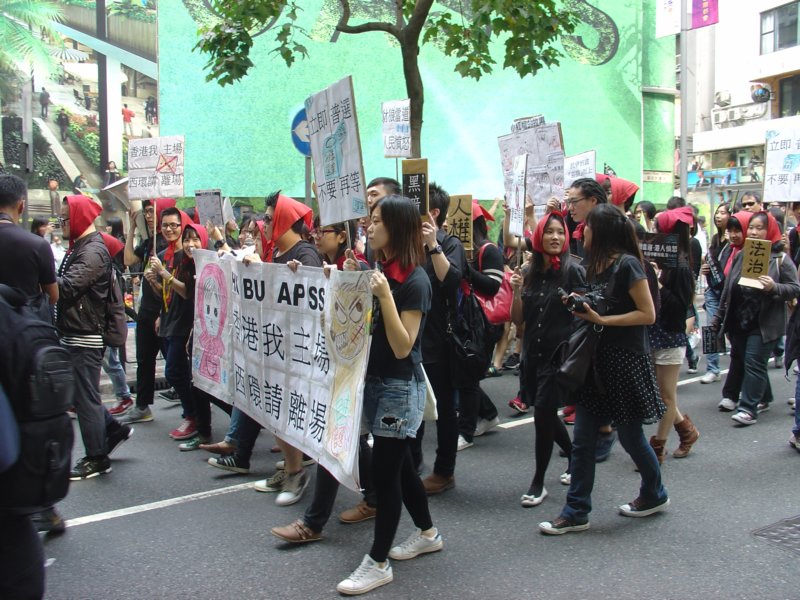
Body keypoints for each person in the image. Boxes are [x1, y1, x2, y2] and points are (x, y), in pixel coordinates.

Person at [539, 204, 668, 535]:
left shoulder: (628, 265)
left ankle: (654, 492)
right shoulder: (593, 266)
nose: (582, 231)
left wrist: (603, 319)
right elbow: (600, 304)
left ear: (602, 231)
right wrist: (580, 304)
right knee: (583, 440)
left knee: (631, 437)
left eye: (587, 227)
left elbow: (647, 314)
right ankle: (576, 511)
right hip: (595, 362)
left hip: (625, 362)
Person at [336, 195, 441, 596]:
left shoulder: (416, 280)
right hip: (375, 381)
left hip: (400, 387)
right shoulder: (380, 270)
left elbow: (402, 346)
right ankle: (428, 533)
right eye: (369, 219)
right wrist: (350, 279)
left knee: (385, 473)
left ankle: (378, 562)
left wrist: (382, 296)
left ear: (396, 227)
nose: (369, 226)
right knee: (401, 469)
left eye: (377, 220)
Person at [206, 193, 322, 508]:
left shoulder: (305, 253)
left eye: (269, 218)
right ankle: (291, 469)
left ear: (285, 219)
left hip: (297, 350)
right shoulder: (277, 252)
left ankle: (296, 473)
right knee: (274, 413)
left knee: (285, 414)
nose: (265, 223)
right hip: (274, 347)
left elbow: (309, 299)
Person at [509, 211, 585, 507]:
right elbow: (518, 321)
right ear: (539, 236)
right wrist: (516, 291)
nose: (556, 237)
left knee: (542, 413)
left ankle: (538, 481)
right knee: (545, 413)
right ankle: (575, 456)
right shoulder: (527, 272)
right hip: (533, 354)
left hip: (559, 356)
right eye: (550, 232)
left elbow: (585, 313)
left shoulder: (573, 271)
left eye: (561, 232)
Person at [58, 195, 132, 480]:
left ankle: (97, 457)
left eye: (65, 218)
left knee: (85, 398)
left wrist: (40, 273)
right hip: (77, 331)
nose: (61, 223)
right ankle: (112, 430)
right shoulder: (83, 246)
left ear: (78, 217)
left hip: (85, 334)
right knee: (81, 394)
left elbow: (67, 287)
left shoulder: (91, 252)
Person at [713, 211, 800, 426]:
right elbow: (728, 289)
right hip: (740, 319)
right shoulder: (743, 254)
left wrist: (773, 287)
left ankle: (748, 409)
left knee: (753, 361)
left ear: (770, 230)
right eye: (751, 227)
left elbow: (794, 288)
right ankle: (764, 397)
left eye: (759, 228)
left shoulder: (780, 259)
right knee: (749, 361)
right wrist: (719, 316)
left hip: (765, 323)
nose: (753, 232)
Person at [647, 207, 700, 461]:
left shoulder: (680, 264)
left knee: (666, 396)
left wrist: (657, 283)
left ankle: (658, 446)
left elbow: (681, 307)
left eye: (657, 228)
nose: (654, 232)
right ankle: (687, 432)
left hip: (670, 337)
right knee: (660, 393)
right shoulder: (666, 259)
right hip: (657, 333)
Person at [119, 199, 172, 424]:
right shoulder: (149, 242)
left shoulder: (169, 243)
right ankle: (142, 406)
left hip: (164, 312)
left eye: (152, 211)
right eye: (146, 212)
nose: (149, 216)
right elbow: (128, 259)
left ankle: (195, 410)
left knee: (175, 365)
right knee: (144, 360)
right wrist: (132, 228)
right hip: (146, 312)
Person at [146, 206, 197, 439]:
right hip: (168, 319)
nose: (169, 229)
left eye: (174, 225)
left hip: (183, 322)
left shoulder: (186, 256)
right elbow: (168, 293)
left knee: (174, 372)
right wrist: (155, 282)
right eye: (165, 225)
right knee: (179, 371)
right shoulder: (164, 255)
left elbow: (187, 292)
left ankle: (192, 415)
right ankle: (193, 414)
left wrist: (164, 275)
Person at [700, 202, 731, 384]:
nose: (718, 216)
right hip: (713, 291)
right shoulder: (715, 239)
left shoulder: (736, 241)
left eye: (723, 213)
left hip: (730, 293)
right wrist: (706, 269)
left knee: (733, 333)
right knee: (711, 328)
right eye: (717, 212)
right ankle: (713, 368)